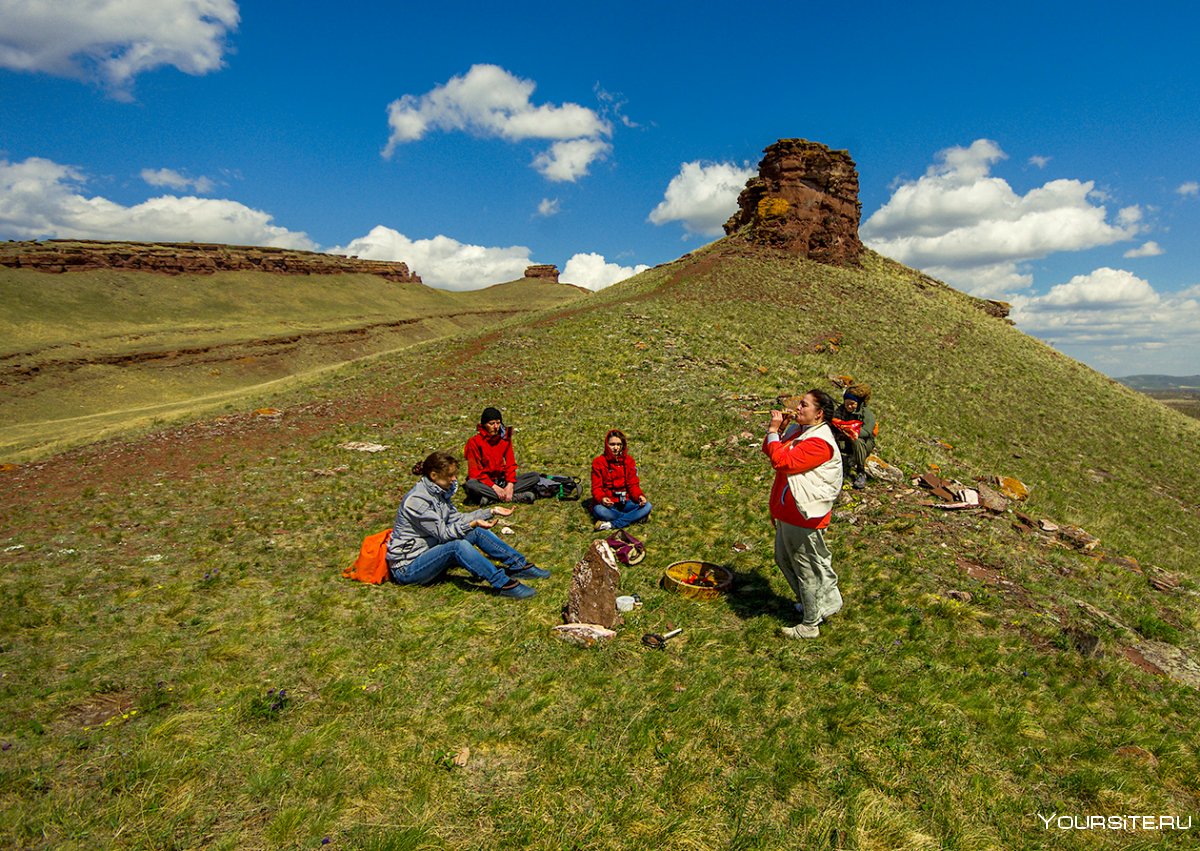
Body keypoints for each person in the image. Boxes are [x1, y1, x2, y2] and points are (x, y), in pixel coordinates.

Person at [386, 451, 550, 598]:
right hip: (408, 568)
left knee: (476, 531)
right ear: (434, 475)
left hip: (428, 550)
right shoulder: (417, 501)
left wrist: (490, 511)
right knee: (457, 546)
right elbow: (444, 534)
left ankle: (519, 565)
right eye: (450, 475)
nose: (454, 479)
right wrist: (472, 523)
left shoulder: (438, 493)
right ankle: (503, 583)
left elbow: (456, 518)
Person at [762, 390, 844, 639]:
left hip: (804, 515)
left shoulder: (819, 443)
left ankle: (810, 623)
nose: (798, 407)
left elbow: (783, 462)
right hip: (790, 510)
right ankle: (813, 606)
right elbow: (773, 452)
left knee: (806, 567)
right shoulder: (801, 432)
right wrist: (777, 432)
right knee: (784, 559)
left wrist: (776, 432)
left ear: (819, 414)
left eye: (804, 405)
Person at [463, 406, 539, 505]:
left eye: (498, 423)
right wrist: (494, 487)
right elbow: (475, 472)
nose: (496, 427)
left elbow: (510, 463)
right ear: (484, 425)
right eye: (491, 424)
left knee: (535, 476)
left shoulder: (505, 439)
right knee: (471, 484)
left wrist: (510, 484)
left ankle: (490, 499)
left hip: (501, 480)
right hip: (484, 483)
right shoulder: (474, 442)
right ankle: (513, 497)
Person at [590, 429, 652, 531]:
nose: (616, 448)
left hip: (627, 501)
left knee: (647, 506)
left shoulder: (629, 461)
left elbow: (633, 485)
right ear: (607, 445)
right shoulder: (598, 462)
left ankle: (611, 524)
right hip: (609, 505)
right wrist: (602, 499)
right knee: (599, 510)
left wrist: (639, 496)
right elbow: (596, 488)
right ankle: (635, 517)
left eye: (619, 444)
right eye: (612, 444)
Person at [832, 384, 877, 490]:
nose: (849, 406)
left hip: (864, 442)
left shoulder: (866, 414)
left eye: (852, 404)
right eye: (846, 403)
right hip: (846, 440)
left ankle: (861, 471)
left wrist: (851, 431)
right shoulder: (841, 410)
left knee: (856, 440)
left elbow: (866, 432)